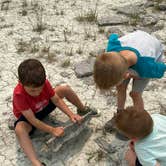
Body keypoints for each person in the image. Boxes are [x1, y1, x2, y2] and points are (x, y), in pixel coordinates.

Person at [13, 59, 95, 166]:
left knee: (63, 89)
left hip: (44, 106)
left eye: (40, 89)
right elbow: (32, 120)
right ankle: (35, 162)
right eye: (33, 90)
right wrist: (52, 130)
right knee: (19, 129)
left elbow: (56, 100)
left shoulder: (45, 83)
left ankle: (82, 109)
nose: (37, 93)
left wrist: (71, 114)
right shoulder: (19, 94)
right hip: (29, 117)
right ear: (21, 82)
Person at [93, 30, 166, 131]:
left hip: (149, 54)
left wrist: (138, 75)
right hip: (136, 43)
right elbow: (113, 36)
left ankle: (138, 122)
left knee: (135, 94)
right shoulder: (112, 48)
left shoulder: (147, 66)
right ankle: (119, 114)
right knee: (121, 87)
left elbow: (161, 69)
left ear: (126, 75)